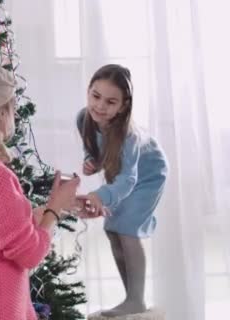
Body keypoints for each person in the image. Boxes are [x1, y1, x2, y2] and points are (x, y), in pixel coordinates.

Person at [0, 63, 102, 319]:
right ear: (0, 113)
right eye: (13, 107)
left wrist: (59, 206)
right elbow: (29, 253)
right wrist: (55, 210)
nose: (15, 114)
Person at [76, 64, 168, 316]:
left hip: (148, 176)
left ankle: (135, 299)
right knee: (112, 229)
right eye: (95, 96)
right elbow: (93, 146)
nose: (100, 106)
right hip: (123, 175)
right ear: (88, 91)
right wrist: (91, 160)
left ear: (123, 106)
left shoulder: (129, 137)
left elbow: (129, 180)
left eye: (110, 101)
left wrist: (100, 195)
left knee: (127, 229)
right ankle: (132, 296)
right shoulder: (84, 118)